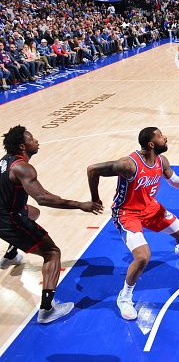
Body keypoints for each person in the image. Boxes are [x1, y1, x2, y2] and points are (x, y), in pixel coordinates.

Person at [87, 127, 179, 320]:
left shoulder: (161, 160)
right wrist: (95, 198)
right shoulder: (128, 164)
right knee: (143, 256)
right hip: (127, 214)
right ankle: (124, 297)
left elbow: (174, 181)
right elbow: (92, 169)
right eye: (161, 136)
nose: (165, 137)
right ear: (151, 144)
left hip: (151, 209)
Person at [0, 126, 103, 323]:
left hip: (7, 211)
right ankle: (46, 310)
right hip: (9, 219)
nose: (36, 140)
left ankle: (11, 255)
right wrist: (80, 204)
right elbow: (43, 198)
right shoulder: (23, 168)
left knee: (33, 213)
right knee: (52, 253)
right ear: (23, 146)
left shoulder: (5, 161)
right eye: (31, 139)